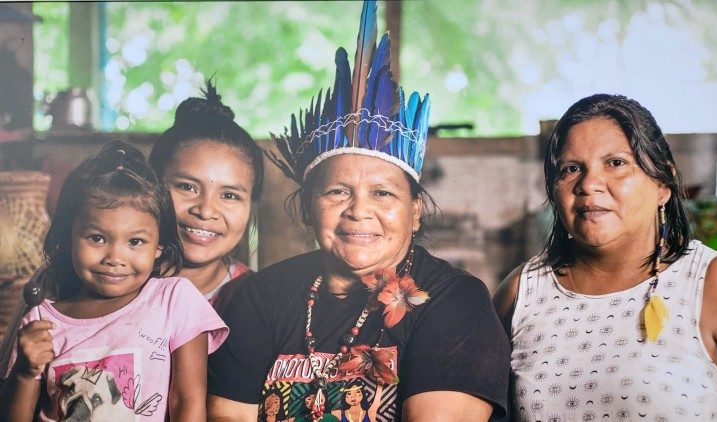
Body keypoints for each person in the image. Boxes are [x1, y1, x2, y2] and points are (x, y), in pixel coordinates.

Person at [206, 1, 510, 421]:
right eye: (337, 192)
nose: (358, 211)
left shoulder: (453, 301)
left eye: (383, 194)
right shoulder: (265, 297)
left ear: (415, 211)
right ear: (310, 207)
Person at [494, 94, 717, 420]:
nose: (589, 184)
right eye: (571, 169)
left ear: (663, 184)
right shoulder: (522, 293)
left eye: (615, 163)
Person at [0, 141, 228, 420]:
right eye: (97, 238)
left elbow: (187, 403)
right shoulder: (43, 322)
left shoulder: (175, 301)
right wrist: (25, 372)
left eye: (135, 241)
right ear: (68, 238)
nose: (115, 257)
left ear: (158, 246)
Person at [149, 79, 264, 312]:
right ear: (150, 186)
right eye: (187, 187)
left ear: (250, 205)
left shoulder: (260, 301)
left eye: (230, 195)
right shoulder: (110, 282)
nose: (205, 210)